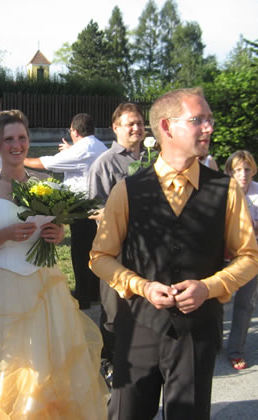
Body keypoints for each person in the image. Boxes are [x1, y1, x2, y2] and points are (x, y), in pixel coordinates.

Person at [90, 87, 258, 420]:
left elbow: (250, 257)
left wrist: (208, 287)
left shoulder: (225, 190)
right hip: (138, 327)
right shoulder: (128, 190)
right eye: (198, 120)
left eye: (210, 119)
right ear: (167, 127)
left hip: (197, 331)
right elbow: (100, 256)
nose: (209, 127)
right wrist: (141, 286)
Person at [0, 110, 108, 419]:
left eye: (22, 138)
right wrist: (5, 235)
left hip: (44, 288)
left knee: (48, 366)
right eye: (9, 139)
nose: (17, 145)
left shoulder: (44, 184)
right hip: (3, 289)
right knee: (5, 368)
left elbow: (55, 232)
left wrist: (56, 234)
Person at [87, 103, 145, 386]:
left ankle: (140, 359)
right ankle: (108, 362)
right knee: (113, 311)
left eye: (139, 123)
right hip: (116, 251)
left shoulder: (154, 159)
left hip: (148, 250)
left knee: (143, 309)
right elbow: (92, 208)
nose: (136, 128)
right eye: (130, 124)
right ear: (115, 128)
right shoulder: (105, 163)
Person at [25, 113, 107, 310]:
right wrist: (71, 150)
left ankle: (83, 294)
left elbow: (47, 163)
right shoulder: (98, 145)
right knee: (94, 250)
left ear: (75, 131)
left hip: (84, 206)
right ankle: (94, 291)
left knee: (81, 251)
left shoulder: (81, 151)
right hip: (98, 205)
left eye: (70, 130)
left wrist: (21, 160)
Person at [224, 150, 258, 370]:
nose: (243, 174)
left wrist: (251, 223)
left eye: (247, 169)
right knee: (216, 297)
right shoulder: (223, 189)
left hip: (249, 247)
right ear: (229, 172)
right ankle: (212, 341)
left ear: (254, 171)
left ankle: (236, 350)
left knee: (245, 301)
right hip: (224, 247)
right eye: (238, 170)